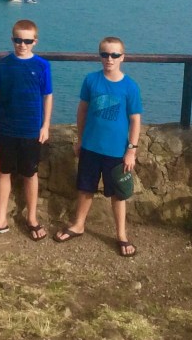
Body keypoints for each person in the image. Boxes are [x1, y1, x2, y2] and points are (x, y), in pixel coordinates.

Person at [55, 36, 142, 257]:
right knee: (85, 189)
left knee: (118, 195)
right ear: (99, 56)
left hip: (116, 152)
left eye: (114, 55)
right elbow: (82, 111)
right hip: (91, 147)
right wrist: (80, 139)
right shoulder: (91, 80)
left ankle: (121, 234)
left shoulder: (130, 87)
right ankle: (78, 225)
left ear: (122, 57)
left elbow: (135, 120)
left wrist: (131, 150)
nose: (109, 59)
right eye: (105, 54)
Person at [0, 19, 53, 241]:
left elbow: (47, 96)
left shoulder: (42, 66)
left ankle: (32, 218)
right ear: (12, 39)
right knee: (3, 172)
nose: (22, 44)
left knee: (31, 174)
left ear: (34, 42)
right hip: (6, 128)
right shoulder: (3, 65)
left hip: (31, 130)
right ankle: (1, 219)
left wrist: (46, 125)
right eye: (18, 40)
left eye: (27, 41)